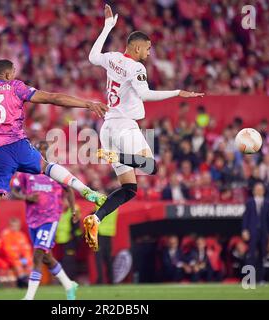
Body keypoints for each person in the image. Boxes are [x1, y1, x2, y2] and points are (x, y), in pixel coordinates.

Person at [0, 59, 108, 296]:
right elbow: (53, 97)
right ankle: (86, 190)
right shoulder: (16, 87)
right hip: (18, 145)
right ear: (9, 74)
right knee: (47, 166)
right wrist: (87, 104)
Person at [84, 4, 204, 251]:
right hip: (125, 127)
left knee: (129, 189)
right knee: (151, 166)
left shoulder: (114, 59)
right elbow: (145, 94)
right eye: (148, 48)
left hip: (107, 128)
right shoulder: (137, 67)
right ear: (137, 47)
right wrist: (178, 92)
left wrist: (107, 26)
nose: (149, 53)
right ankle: (115, 156)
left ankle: (96, 218)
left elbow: (92, 57)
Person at [12, 141, 79, 300]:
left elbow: (68, 189)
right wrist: (26, 196)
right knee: (46, 258)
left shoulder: (55, 171)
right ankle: (69, 285)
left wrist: (73, 209)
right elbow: (14, 190)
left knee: (37, 256)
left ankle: (29, 297)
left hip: (50, 218)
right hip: (32, 220)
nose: (41, 153)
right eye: (38, 150)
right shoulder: (25, 172)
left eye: (44, 150)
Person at [242, 183, 269, 283]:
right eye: (257, 189)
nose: (259, 191)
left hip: (263, 233)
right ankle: (250, 279)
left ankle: (260, 279)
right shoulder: (249, 202)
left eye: (261, 189)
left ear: (264, 191)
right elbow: (246, 217)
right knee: (251, 255)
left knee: (262, 256)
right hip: (252, 232)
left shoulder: (267, 203)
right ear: (254, 191)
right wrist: (244, 230)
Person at [0, 218, 33, 288]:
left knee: (30, 262)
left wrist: (26, 258)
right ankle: (23, 281)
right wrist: (17, 257)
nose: (15, 228)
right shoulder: (6, 234)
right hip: (8, 258)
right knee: (17, 263)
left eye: (16, 226)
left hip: (19, 258)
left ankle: (27, 280)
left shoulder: (21, 235)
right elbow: (6, 250)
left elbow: (26, 249)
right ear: (9, 226)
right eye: (13, 226)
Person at [95, 206, 118, 284]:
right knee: (108, 258)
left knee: (99, 258)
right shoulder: (115, 205)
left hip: (100, 233)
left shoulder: (101, 205)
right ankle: (111, 279)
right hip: (109, 233)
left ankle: (100, 280)